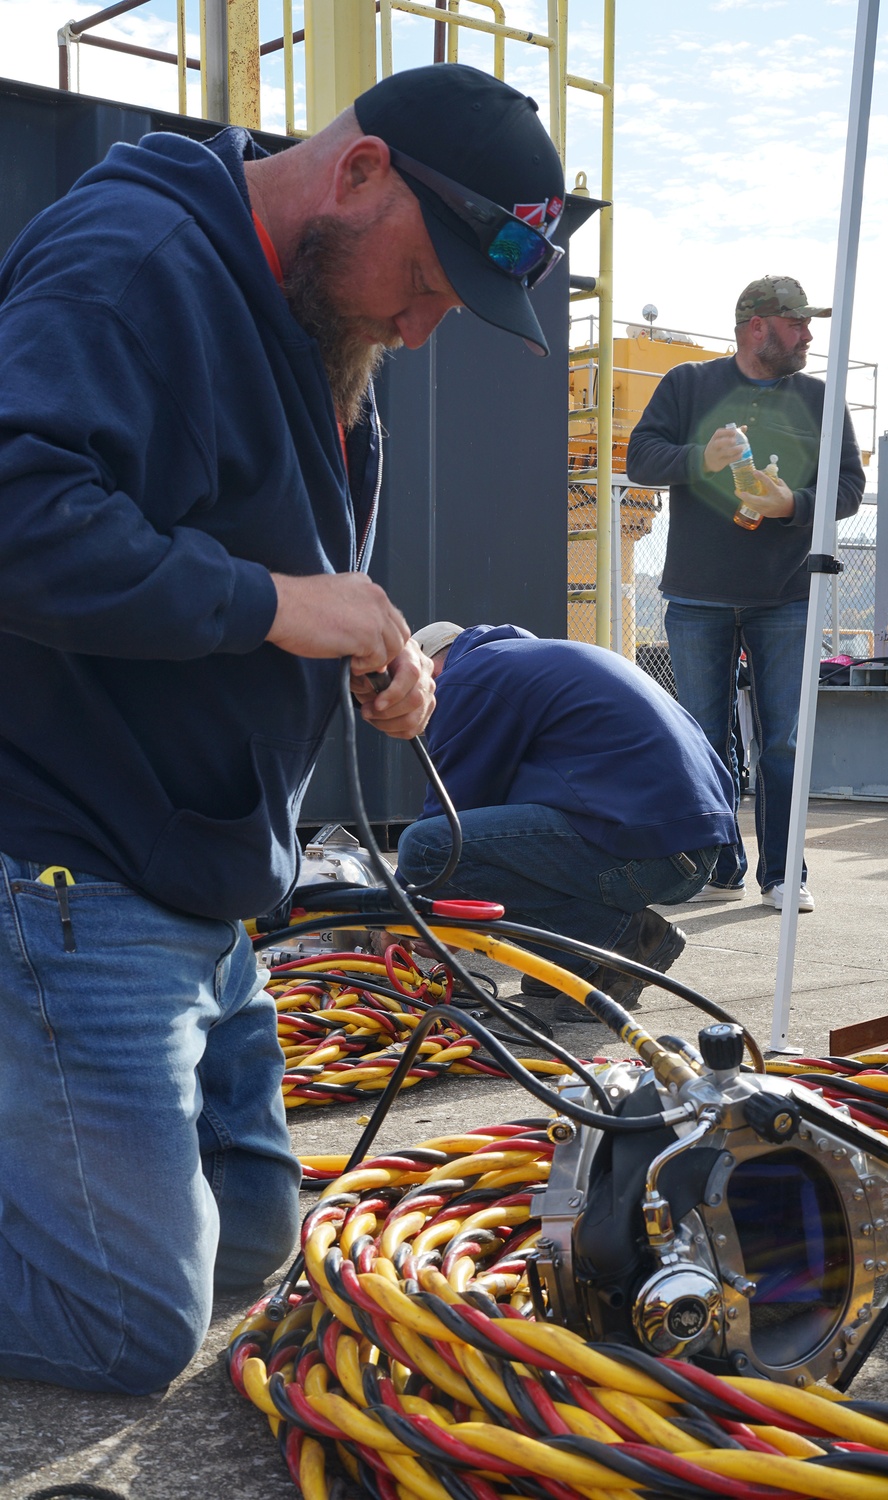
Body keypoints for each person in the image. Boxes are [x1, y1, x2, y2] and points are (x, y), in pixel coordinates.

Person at [0, 64, 565, 1393]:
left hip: (199, 889)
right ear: (357, 172)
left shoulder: (319, 320)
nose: (424, 332)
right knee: (128, 1324)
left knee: (255, 1243)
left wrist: (369, 656)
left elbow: (266, 569)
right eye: (424, 288)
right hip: (74, 865)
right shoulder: (136, 260)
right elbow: (19, 511)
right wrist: (271, 606)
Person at [626, 274, 865, 912]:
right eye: (796, 323)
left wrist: (794, 504)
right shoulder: (686, 384)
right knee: (701, 736)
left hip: (787, 595)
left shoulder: (822, 396)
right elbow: (639, 460)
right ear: (757, 326)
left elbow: (847, 489)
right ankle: (720, 864)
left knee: (783, 740)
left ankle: (784, 874)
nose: (808, 334)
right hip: (697, 596)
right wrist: (699, 458)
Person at [394, 623, 737, 1018]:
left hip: (650, 849)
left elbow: (449, 818)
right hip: (686, 844)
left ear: (428, 668)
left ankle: (619, 947)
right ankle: (573, 955)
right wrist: (455, 908)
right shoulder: (530, 664)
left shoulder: (467, 679)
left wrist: (400, 912)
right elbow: (491, 833)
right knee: (475, 854)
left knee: (425, 848)